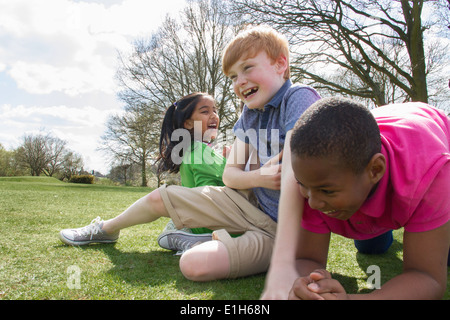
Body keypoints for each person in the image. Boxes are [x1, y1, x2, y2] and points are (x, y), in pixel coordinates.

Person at [59, 25, 321, 281]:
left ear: (280, 64)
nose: (240, 82)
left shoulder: (298, 97)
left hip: (281, 233)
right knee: (162, 197)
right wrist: (259, 177)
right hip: (248, 208)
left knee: (193, 265)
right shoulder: (249, 114)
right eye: (232, 76)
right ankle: (105, 229)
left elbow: (296, 172)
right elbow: (230, 176)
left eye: (248, 68)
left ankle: (208, 238)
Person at [264, 97, 449, 300]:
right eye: (302, 185)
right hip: (371, 174)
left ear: (375, 170)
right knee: (371, 247)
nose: (313, 203)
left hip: (431, 141)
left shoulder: (431, 175)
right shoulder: (312, 176)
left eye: (326, 191)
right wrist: (308, 285)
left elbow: (427, 277)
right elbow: (308, 258)